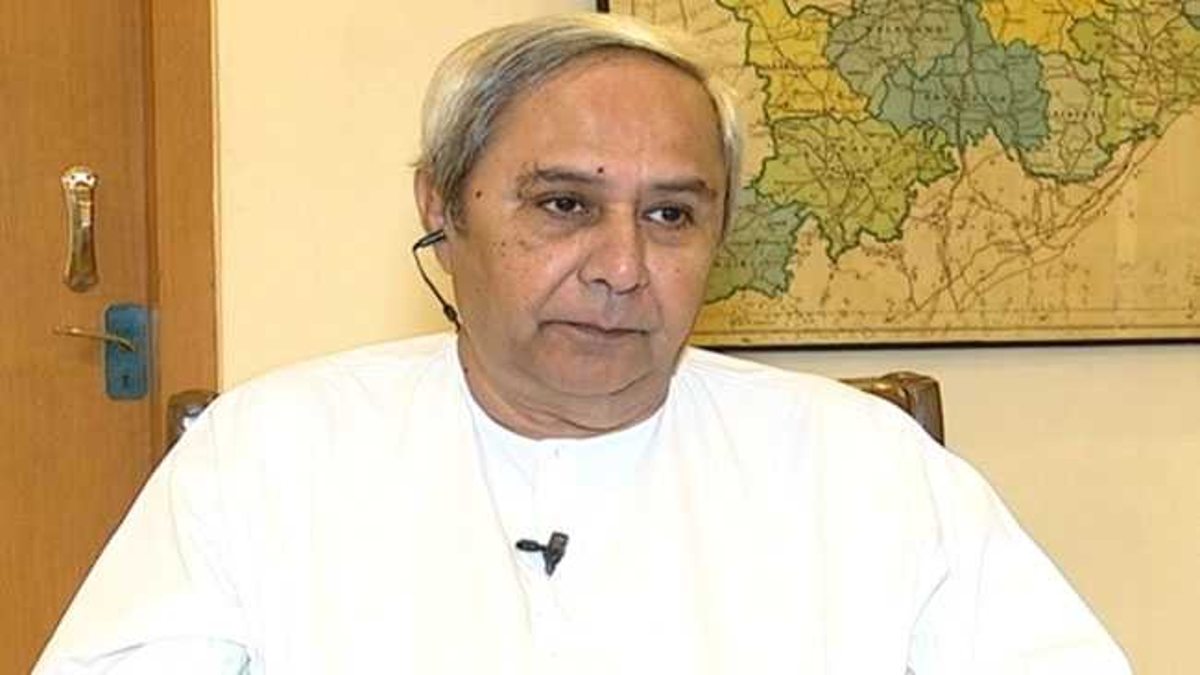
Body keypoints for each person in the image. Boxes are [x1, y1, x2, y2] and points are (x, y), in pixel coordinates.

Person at [35, 13, 1130, 675]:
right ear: (442, 206)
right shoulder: (267, 455)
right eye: (564, 205)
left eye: (671, 215)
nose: (621, 266)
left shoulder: (870, 469)